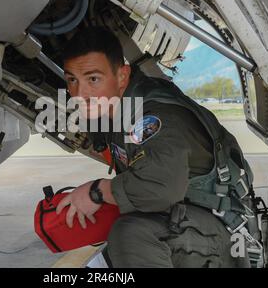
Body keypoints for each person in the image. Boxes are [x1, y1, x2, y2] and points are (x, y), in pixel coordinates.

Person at [55, 27, 253, 268]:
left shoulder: (155, 117)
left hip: (223, 237)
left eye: (93, 79)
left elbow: (159, 190)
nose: (79, 93)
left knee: (132, 234)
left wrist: (96, 191)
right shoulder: (118, 108)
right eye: (71, 80)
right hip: (188, 224)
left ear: (122, 76)